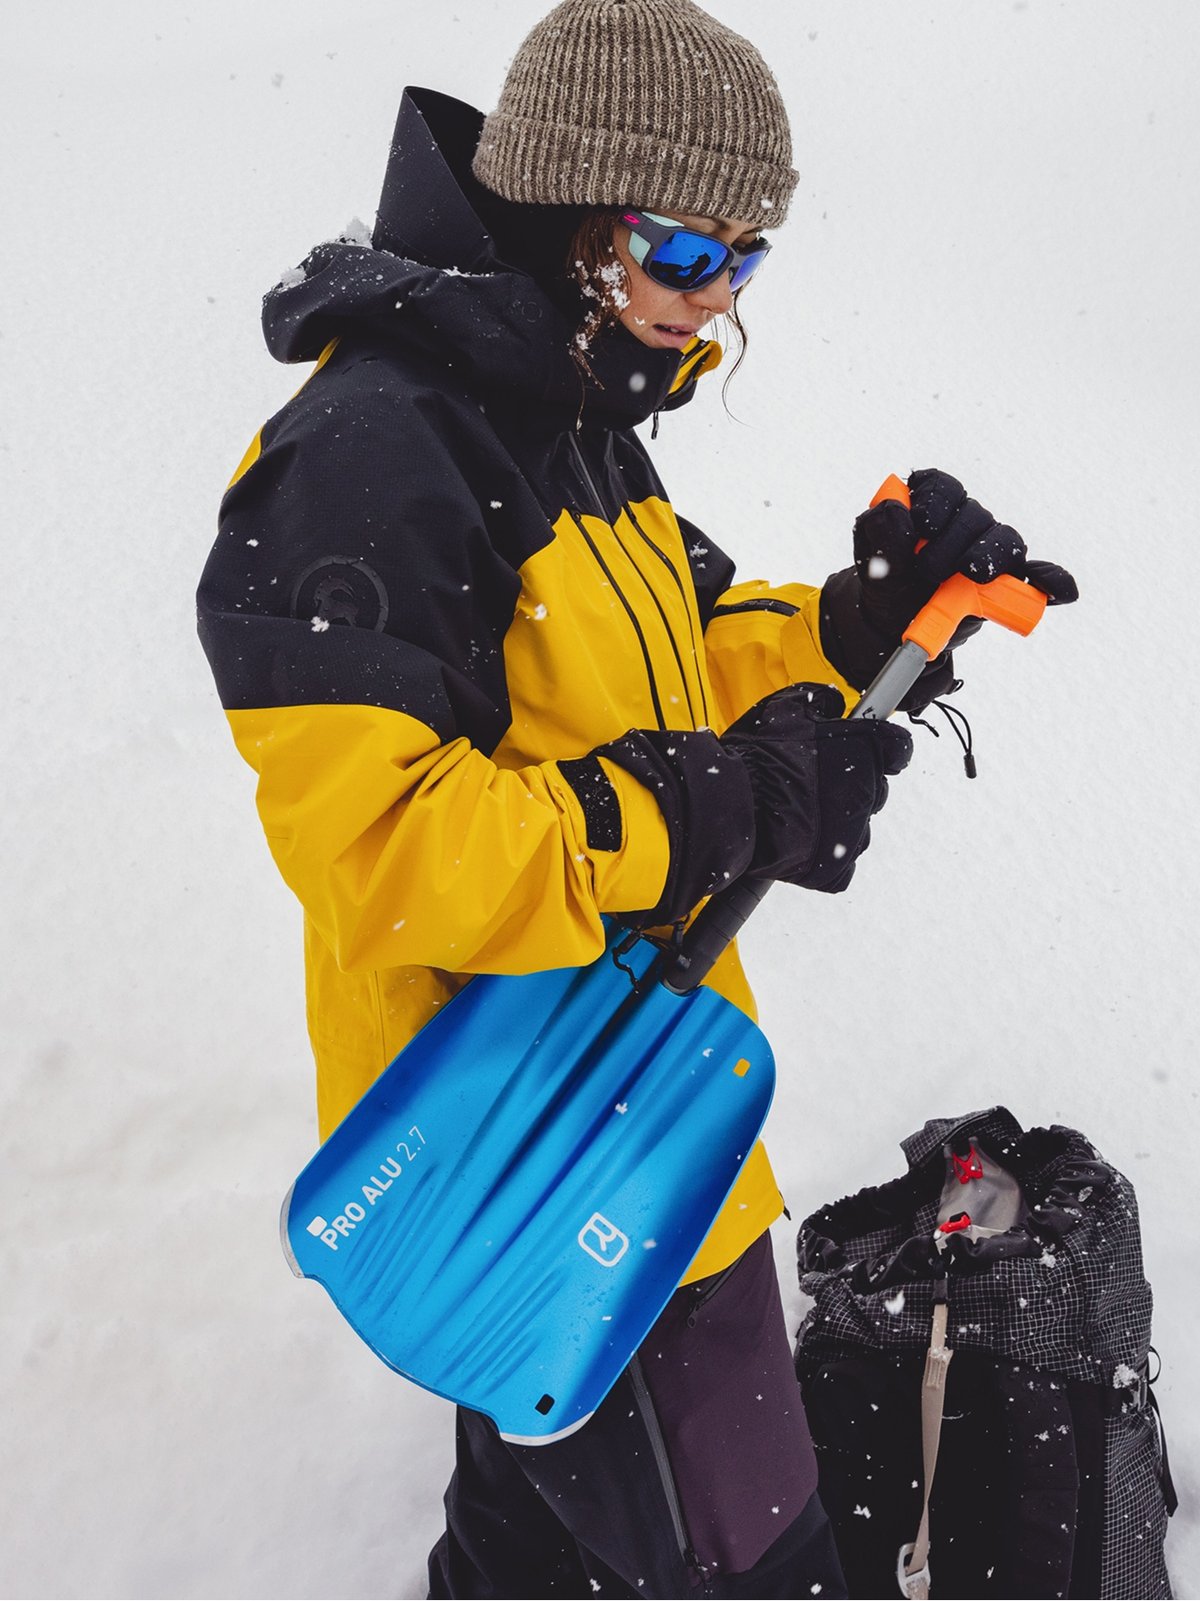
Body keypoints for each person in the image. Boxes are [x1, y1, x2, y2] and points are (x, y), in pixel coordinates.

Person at [197, 1, 1076, 1594]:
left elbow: (677, 654)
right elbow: (385, 848)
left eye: (748, 260)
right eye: (686, 254)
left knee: (529, 1539)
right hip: (543, 1155)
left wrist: (853, 630)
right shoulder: (372, 454)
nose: (719, 302)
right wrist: (720, 806)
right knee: (758, 1564)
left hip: (624, 1099)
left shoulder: (568, 412)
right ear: (570, 219)